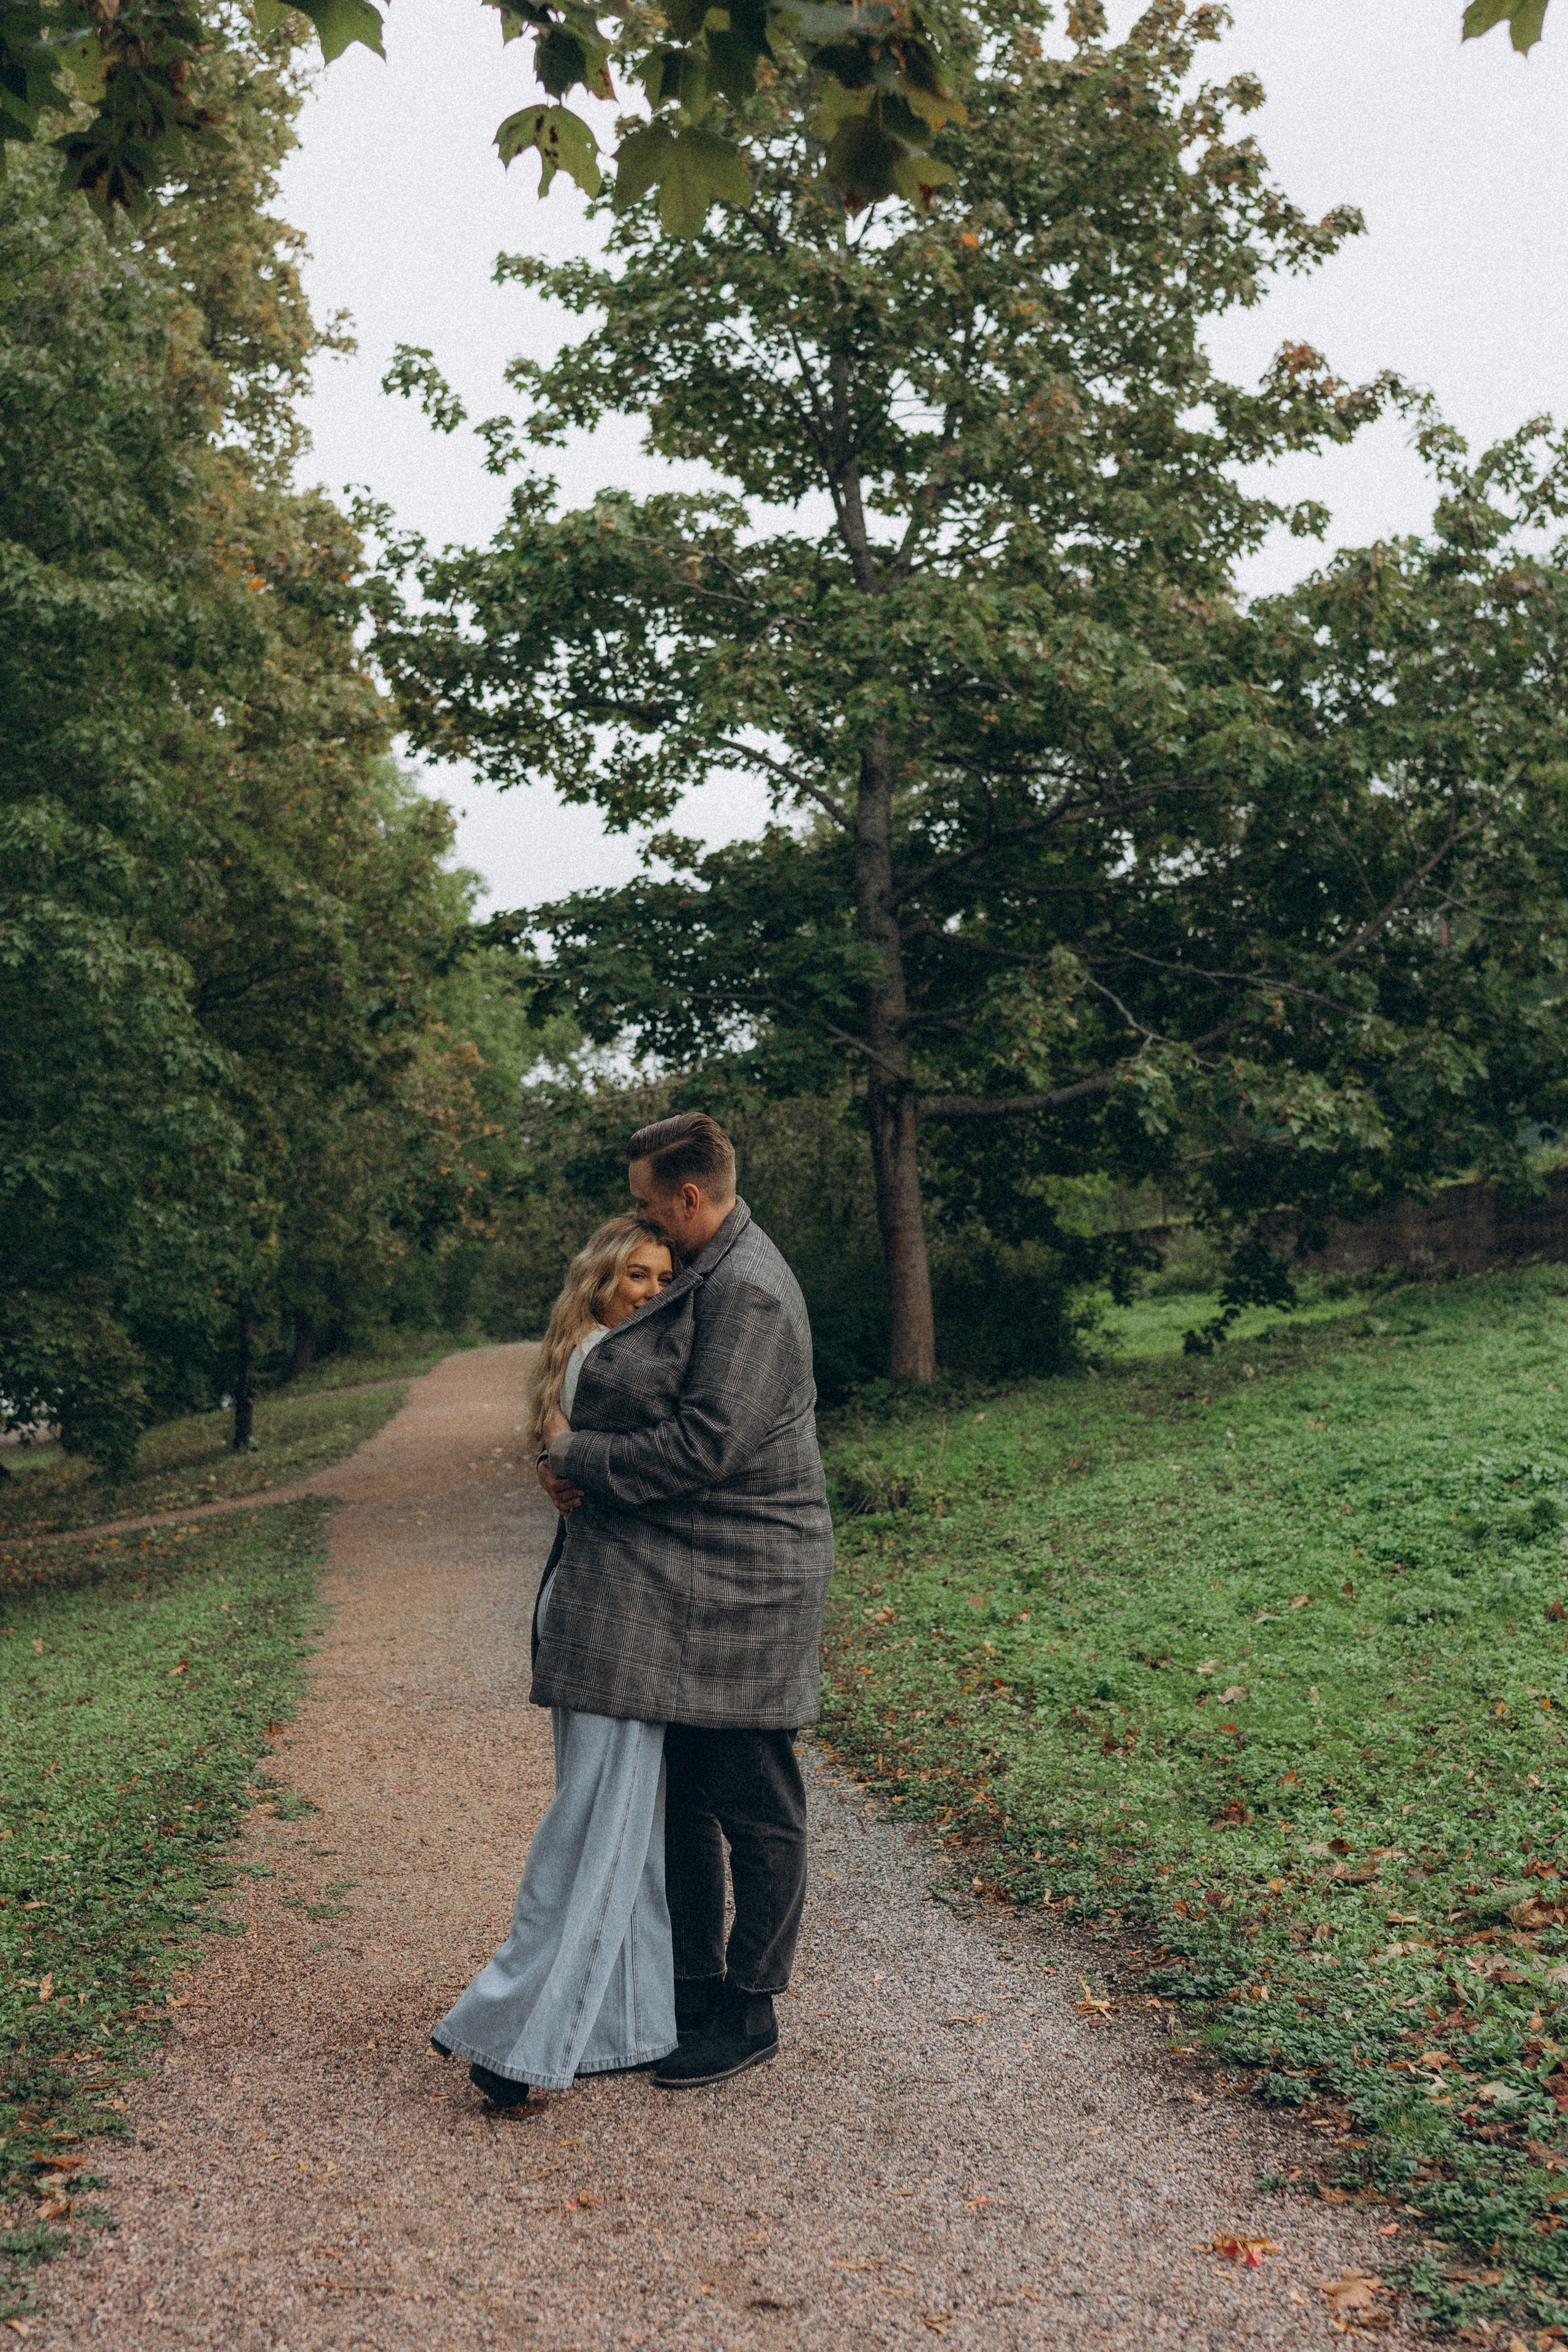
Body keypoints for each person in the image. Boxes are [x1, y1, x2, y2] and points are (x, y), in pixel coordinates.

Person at [536, 1112, 834, 2090]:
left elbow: (706, 1443)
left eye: (648, 1200)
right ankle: (691, 1986)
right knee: (685, 1798)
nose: (640, 1216)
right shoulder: (709, 1267)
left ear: (691, 1198)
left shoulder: (749, 1291)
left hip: (749, 1580)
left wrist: (578, 1456)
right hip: (690, 1576)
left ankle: (750, 2010)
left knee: (756, 1800)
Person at [430, 1218, 676, 2109]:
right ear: (599, 1283)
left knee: (625, 1831)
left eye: (664, 1275)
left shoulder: (585, 1355)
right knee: (597, 1832)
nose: (653, 1291)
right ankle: (506, 2034)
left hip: (600, 1606)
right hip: (607, 1616)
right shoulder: (605, 1360)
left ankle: (625, 2028)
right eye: (636, 1276)